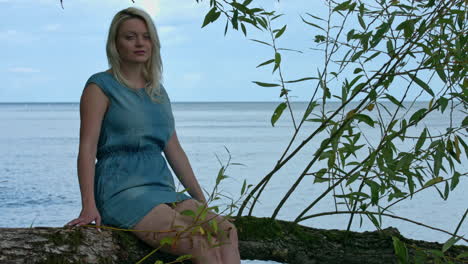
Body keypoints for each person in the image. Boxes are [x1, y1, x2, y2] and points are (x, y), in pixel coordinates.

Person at [66, 7, 240, 264]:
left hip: (161, 189)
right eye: (130, 37)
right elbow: (87, 149)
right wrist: (88, 206)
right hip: (121, 191)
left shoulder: (158, 92)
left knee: (226, 231)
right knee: (196, 240)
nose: (140, 43)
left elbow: (174, 150)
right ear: (115, 44)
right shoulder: (99, 87)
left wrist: (202, 201)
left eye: (146, 37)